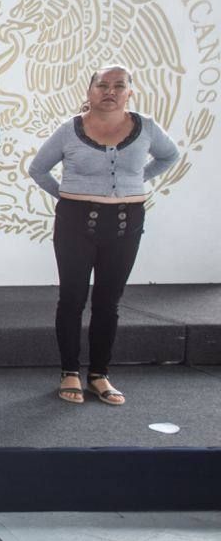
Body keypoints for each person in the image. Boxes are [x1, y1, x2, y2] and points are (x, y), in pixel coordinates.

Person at [28, 65, 179, 406]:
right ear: (90, 90)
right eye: (102, 85)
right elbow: (37, 168)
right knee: (72, 298)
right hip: (75, 222)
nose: (110, 91)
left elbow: (170, 155)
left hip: (127, 221)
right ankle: (69, 371)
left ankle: (99, 374)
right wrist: (69, 196)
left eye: (118, 85)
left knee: (108, 302)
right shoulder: (70, 129)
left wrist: (136, 182)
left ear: (130, 91)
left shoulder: (148, 127)